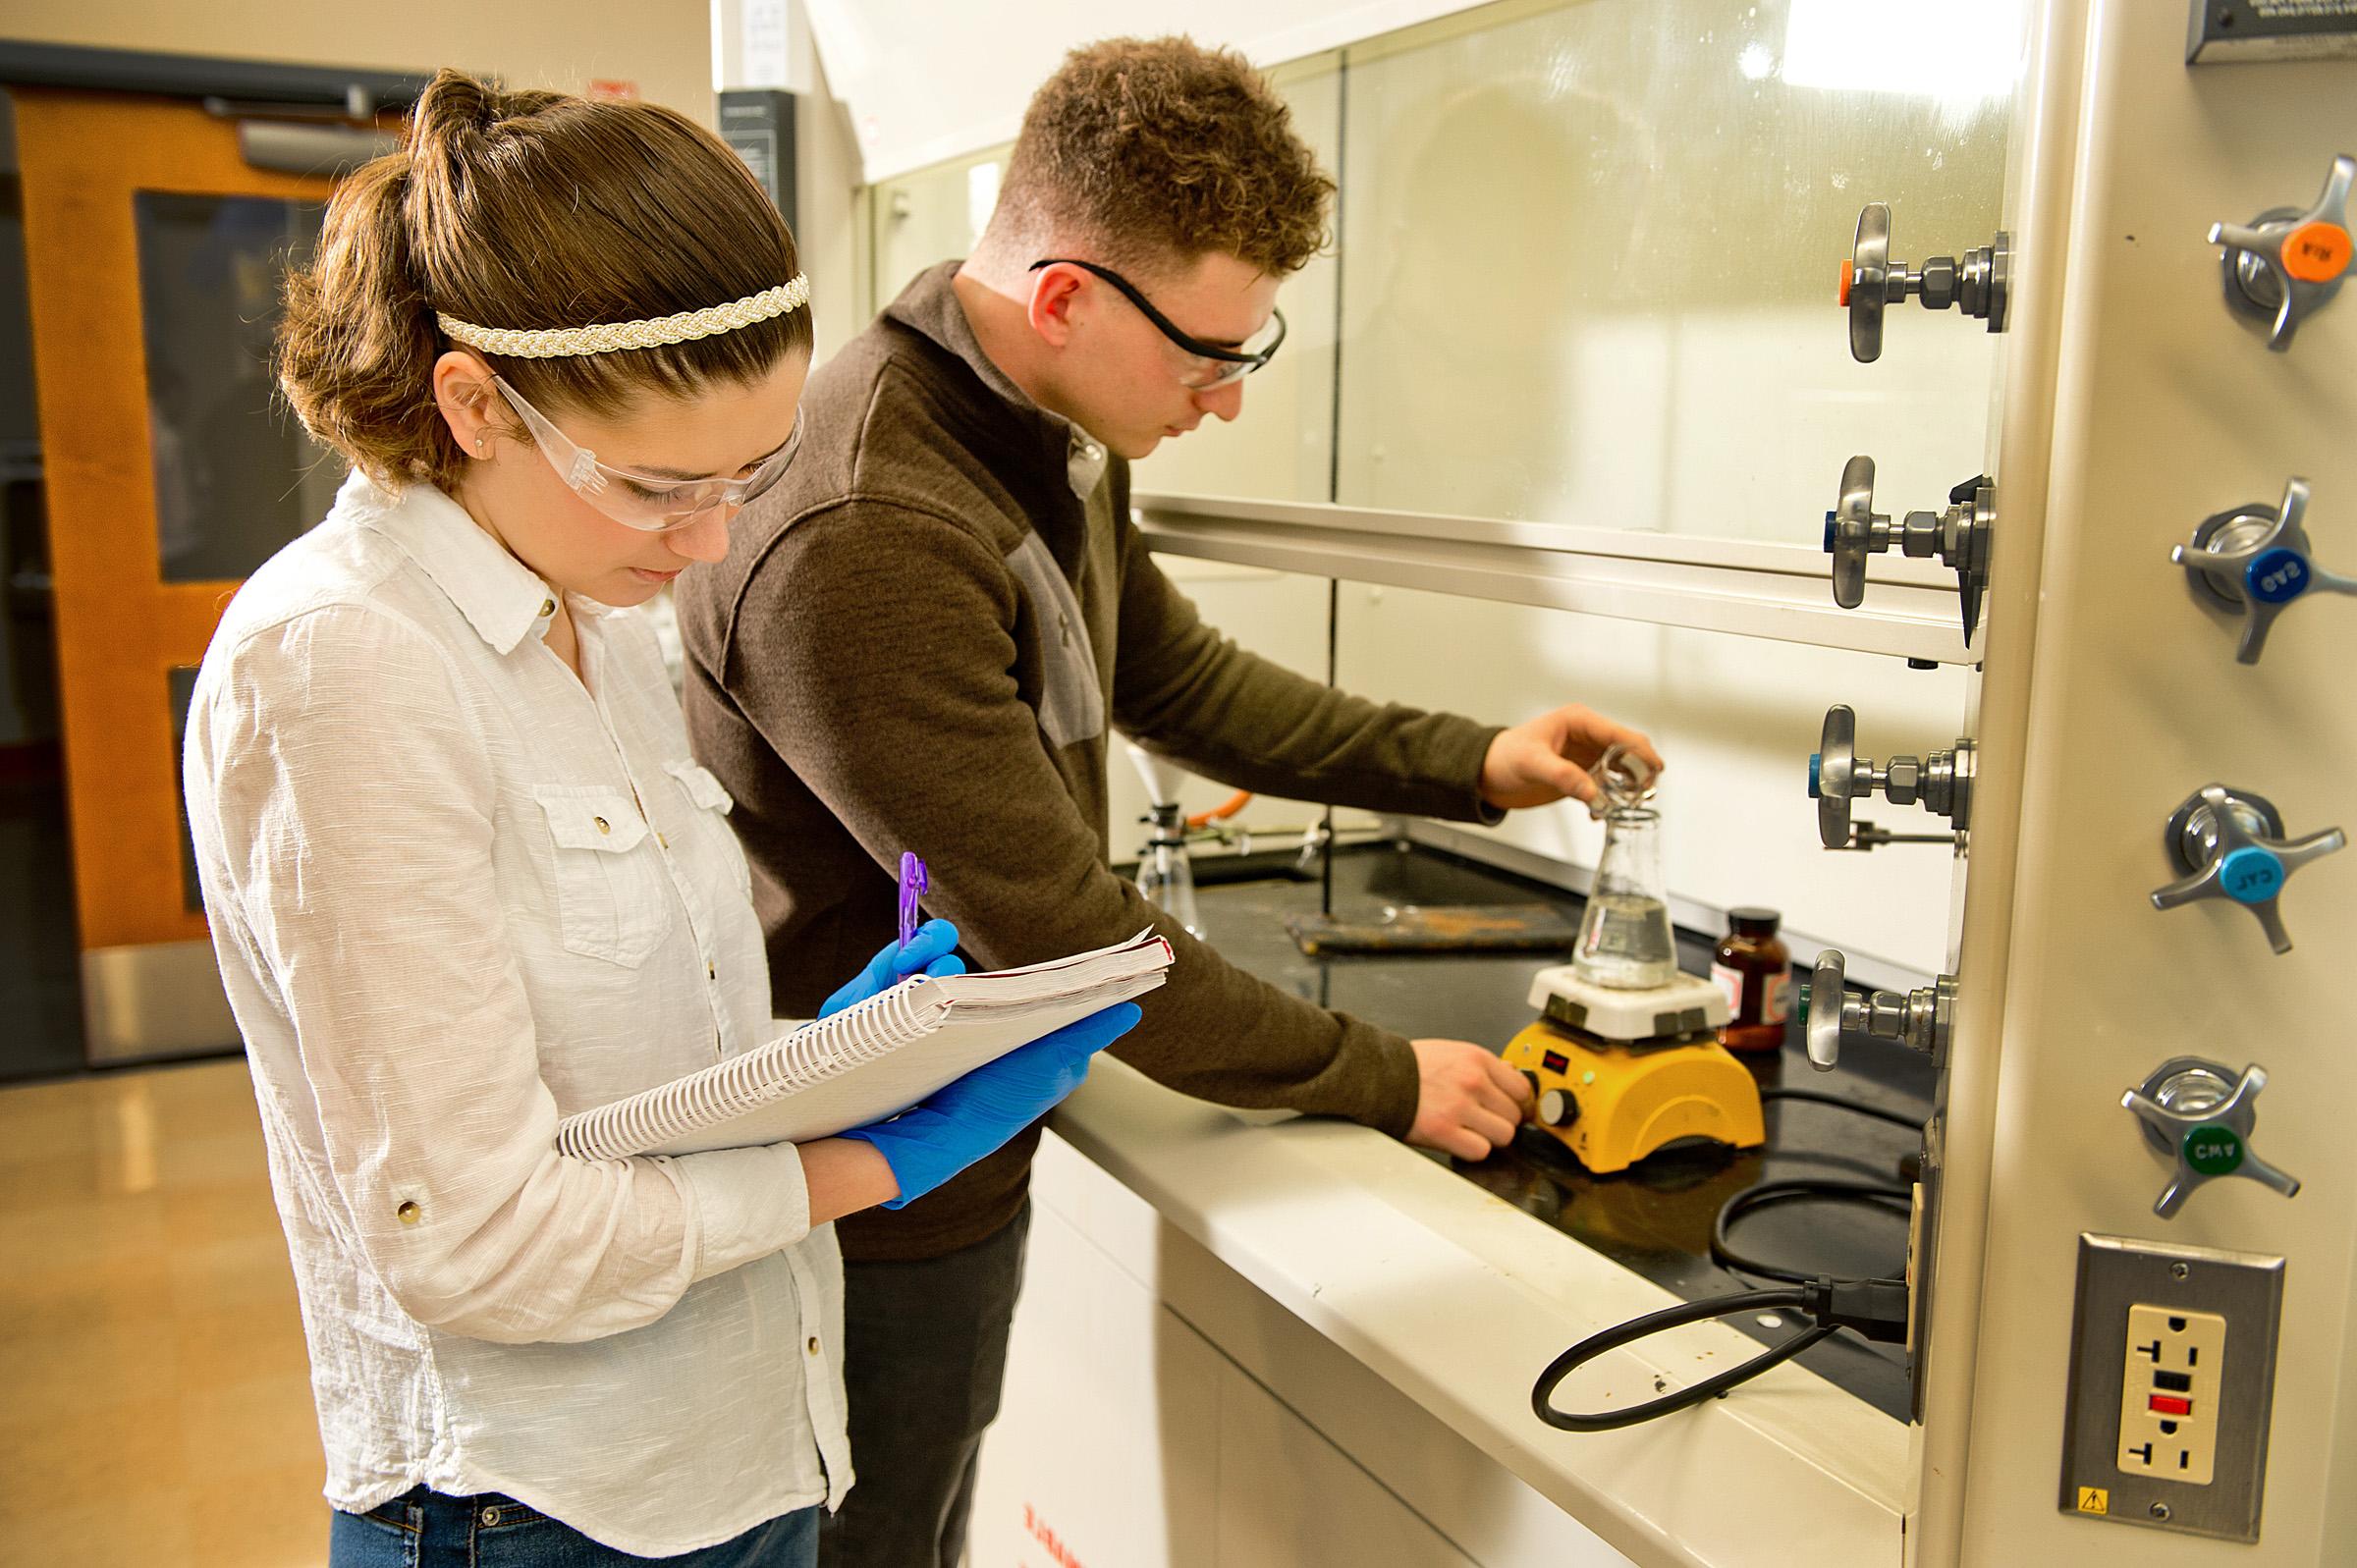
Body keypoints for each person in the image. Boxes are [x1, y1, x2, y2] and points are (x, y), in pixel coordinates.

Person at [674, 35, 1664, 1568]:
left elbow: (1182, 683)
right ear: (1066, 295)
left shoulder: (1043, 430)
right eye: (1210, 356)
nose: (1224, 400)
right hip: (855, 1201)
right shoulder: (868, 524)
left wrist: (1471, 758)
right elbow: (1066, 936)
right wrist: (1383, 1074)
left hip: (954, 1142)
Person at [181, 70, 1136, 1568]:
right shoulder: (347, 663)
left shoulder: (593, 611)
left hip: (736, 1443)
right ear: (475, 402)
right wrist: (863, 1165)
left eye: (748, 479)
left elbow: (623, 1073)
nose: (708, 541)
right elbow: (475, 1236)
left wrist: (828, 1055)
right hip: (536, 1508)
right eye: (658, 486)